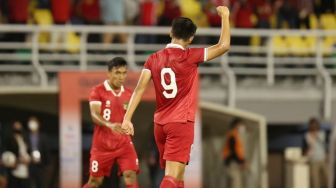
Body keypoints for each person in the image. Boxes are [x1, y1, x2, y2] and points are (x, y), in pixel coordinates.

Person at [122, 6, 230, 188]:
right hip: (180, 123)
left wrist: (127, 118)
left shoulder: (153, 58)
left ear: (170, 32)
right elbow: (223, 46)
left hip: (160, 125)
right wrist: (225, 17)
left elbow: (139, 89)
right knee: (172, 178)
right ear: (191, 38)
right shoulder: (190, 56)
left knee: (178, 177)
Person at [83, 57, 139, 188]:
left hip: (124, 143)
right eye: (117, 73)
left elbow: (127, 118)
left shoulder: (129, 94)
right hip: (102, 145)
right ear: (109, 73)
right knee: (95, 182)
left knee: (130, 175)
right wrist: (110, 124)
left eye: (124, 73)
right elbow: (94, 114)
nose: (121, 77)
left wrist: (129, 124)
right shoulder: (98, 91)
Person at [4, 121, 31, 188]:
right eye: (16, 126)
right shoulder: (10, 140)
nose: (18, 128)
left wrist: (28, 159)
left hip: (25, 170)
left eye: (19, 126)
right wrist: (15, 161)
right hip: (14, 170)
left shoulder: (25, 140)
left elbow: (28, 152)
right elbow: (7, 154)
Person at [222, 118, 248, 188]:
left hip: (232, 162)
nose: (242, 127)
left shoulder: (234, 135)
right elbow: (233, 151)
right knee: (235, 184)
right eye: (241, 124)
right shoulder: (233, 135)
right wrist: (241, 162)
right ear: (236, 125)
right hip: (233, 163)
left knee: (233, 183)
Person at [304, 118, 329, 188]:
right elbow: (310, 145)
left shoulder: (322, 133)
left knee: (328, 177)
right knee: (315, 181)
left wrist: (315, 135)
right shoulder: (307, 135)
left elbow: (323, 142)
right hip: (313, 160)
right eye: (312, 125)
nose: (314, 126)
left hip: (323, 159)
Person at [27, 116, 50, 188]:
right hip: (29, 165)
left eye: (34, 122)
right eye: (31, 122)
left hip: (41, 166)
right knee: (29, 184)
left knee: (41, 184)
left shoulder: (43, 136)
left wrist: (45, 163)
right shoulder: (26, 136)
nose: (32, 125)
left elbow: (47, 151)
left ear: (38, 124)